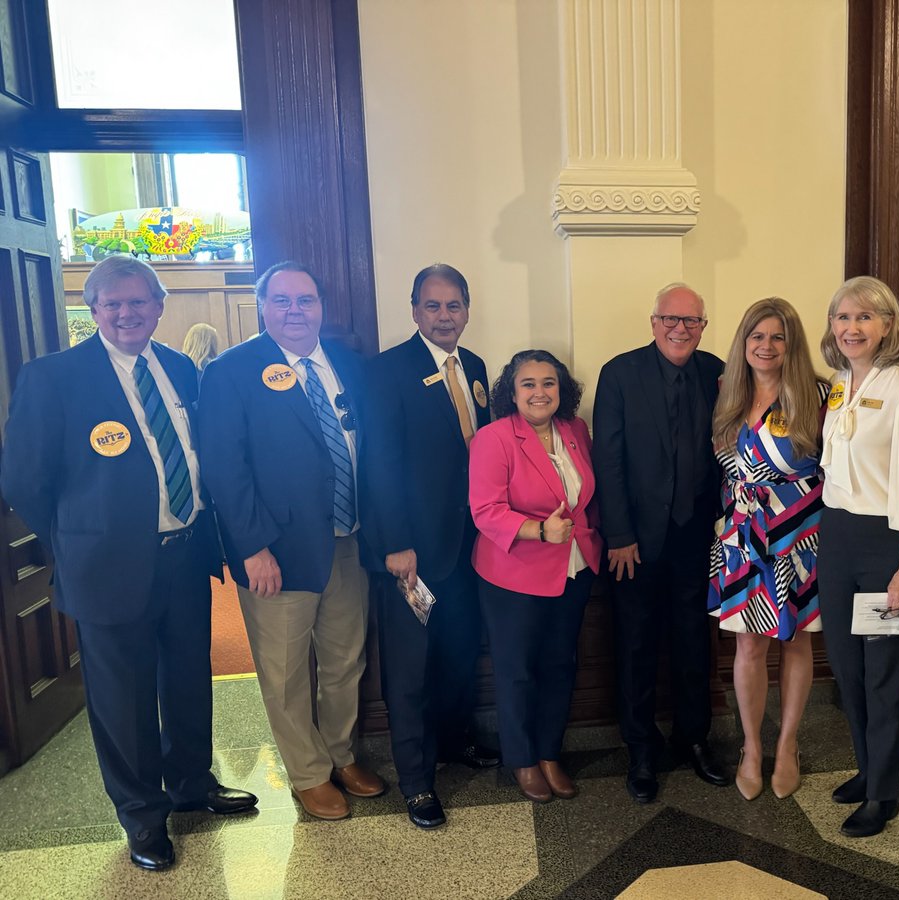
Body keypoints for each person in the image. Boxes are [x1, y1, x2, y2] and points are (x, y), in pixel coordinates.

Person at [0, 256, 256, 872]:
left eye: (138, 302)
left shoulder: (178, 368)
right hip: (107, 567)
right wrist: (77, 541)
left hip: (186, 556)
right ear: (92, 310)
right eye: (111, 304)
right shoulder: (54, 377)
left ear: (159, 307)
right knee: (124, 699)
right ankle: (142, 817)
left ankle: (193, 783)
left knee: (189, 681)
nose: (125, 313)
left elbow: (199, 453)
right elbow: (24, 481)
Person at [197, 261, 383, 823]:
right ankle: (307, 773)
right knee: (284, 670)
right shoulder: (232, 371)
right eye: (282, 301)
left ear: (321, 305)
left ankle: (341, 755)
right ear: (263, 307)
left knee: (345, 661)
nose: (295, 311)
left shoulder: (347, 363)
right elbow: (225, 469)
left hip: (348, 539)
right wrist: (252, 547)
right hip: (276, 551)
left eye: (305, 300)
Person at [359, 263, 497, 830]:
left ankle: (456, 740)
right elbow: (380, 463)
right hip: (413, 549)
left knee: (460, 651)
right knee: (411, 667)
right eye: (433, 306)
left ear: (467, 309)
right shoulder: (386, 371)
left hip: (471, 546)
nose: (445, 317)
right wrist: (395, 543)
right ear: (414, 310)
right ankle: (416, 781)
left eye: (454, 306)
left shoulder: (478, 367)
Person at [817, 275, 899, 838]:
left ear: (888, 325)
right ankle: (868, 770)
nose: (851, 328)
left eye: (864, 318)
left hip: (888, 542)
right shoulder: (840, 384)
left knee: (884, 676)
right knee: (847, 669)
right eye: (843, 318)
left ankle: (884, 795)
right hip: (837, 537)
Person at [592, 282, 730, 804]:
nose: (680, 329)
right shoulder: (620, 373)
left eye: (691, 321)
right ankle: (641, 749)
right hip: (636, 543)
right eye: (670, 319)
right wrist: (620, 535)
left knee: (695, 641)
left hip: (698, 534)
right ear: (653, 323)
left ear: (702, 327)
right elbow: (608, 461)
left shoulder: (716, 372)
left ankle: (694, 739)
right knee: (636, 643)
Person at [708, 298, 829, 802]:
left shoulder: (819, 394)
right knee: (749, 645)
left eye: (777, 336)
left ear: (791, 343)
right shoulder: (726, 393)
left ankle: (789, 745)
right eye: (756, 336)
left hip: (799, 539)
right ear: (743, 342)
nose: (766, 345)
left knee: (796, 642)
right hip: (739, 539)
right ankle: (752, 748)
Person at [469, 350, 603, 803]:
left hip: (574, 569)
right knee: (517, 671)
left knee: (560, 666)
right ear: (512, 390)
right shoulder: (494, 438)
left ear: (561, 390)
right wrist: (537, 530)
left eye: (549, 383)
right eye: (528, 383)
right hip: (514, 575)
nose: (539, 392)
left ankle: (549, 753)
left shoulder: (575, 431)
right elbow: (485, 511)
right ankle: (523, 760)